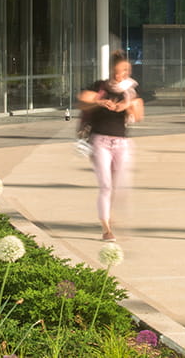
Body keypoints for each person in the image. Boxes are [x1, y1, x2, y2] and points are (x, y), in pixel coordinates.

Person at [77, 49, 143, 241]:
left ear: (128, 71)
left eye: (123, 71)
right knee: (105, 185)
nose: (119, 74)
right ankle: (106, 228)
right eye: (116, 70)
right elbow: (82, 103)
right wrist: (99, 102)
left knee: (116, 186)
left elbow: (138, 117)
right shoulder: (100, 86)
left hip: (121, 143)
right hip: (100, 141)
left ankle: (108, 215)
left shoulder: (130, 91)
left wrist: (127, 105)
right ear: (110, 69)